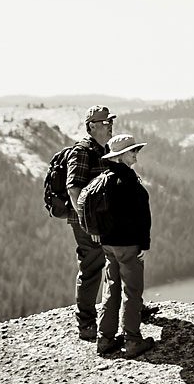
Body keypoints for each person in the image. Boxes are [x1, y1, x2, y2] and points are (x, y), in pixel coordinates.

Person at [91, 133, 155, 358]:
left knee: (111, 288)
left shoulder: (105, 179)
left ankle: (105, 339)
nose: (136, 154)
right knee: (132, 291)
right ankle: (132, 341)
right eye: (133, 151)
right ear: (120, 156)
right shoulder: (127, 182)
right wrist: (143, 245)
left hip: (108, 245)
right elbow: (141, 217)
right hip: (128, 245)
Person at [62, 106, 115, 341]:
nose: (110, 125)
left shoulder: (103, 149)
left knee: (114, 262)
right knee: (92, 267)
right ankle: (86, 324)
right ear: (92, 126)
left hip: (102, 222)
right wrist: (88, 224)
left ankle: (120, 310)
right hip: (87, 224)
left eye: (110, 121)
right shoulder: (82, 152)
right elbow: (74, 190)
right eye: (105, 122)